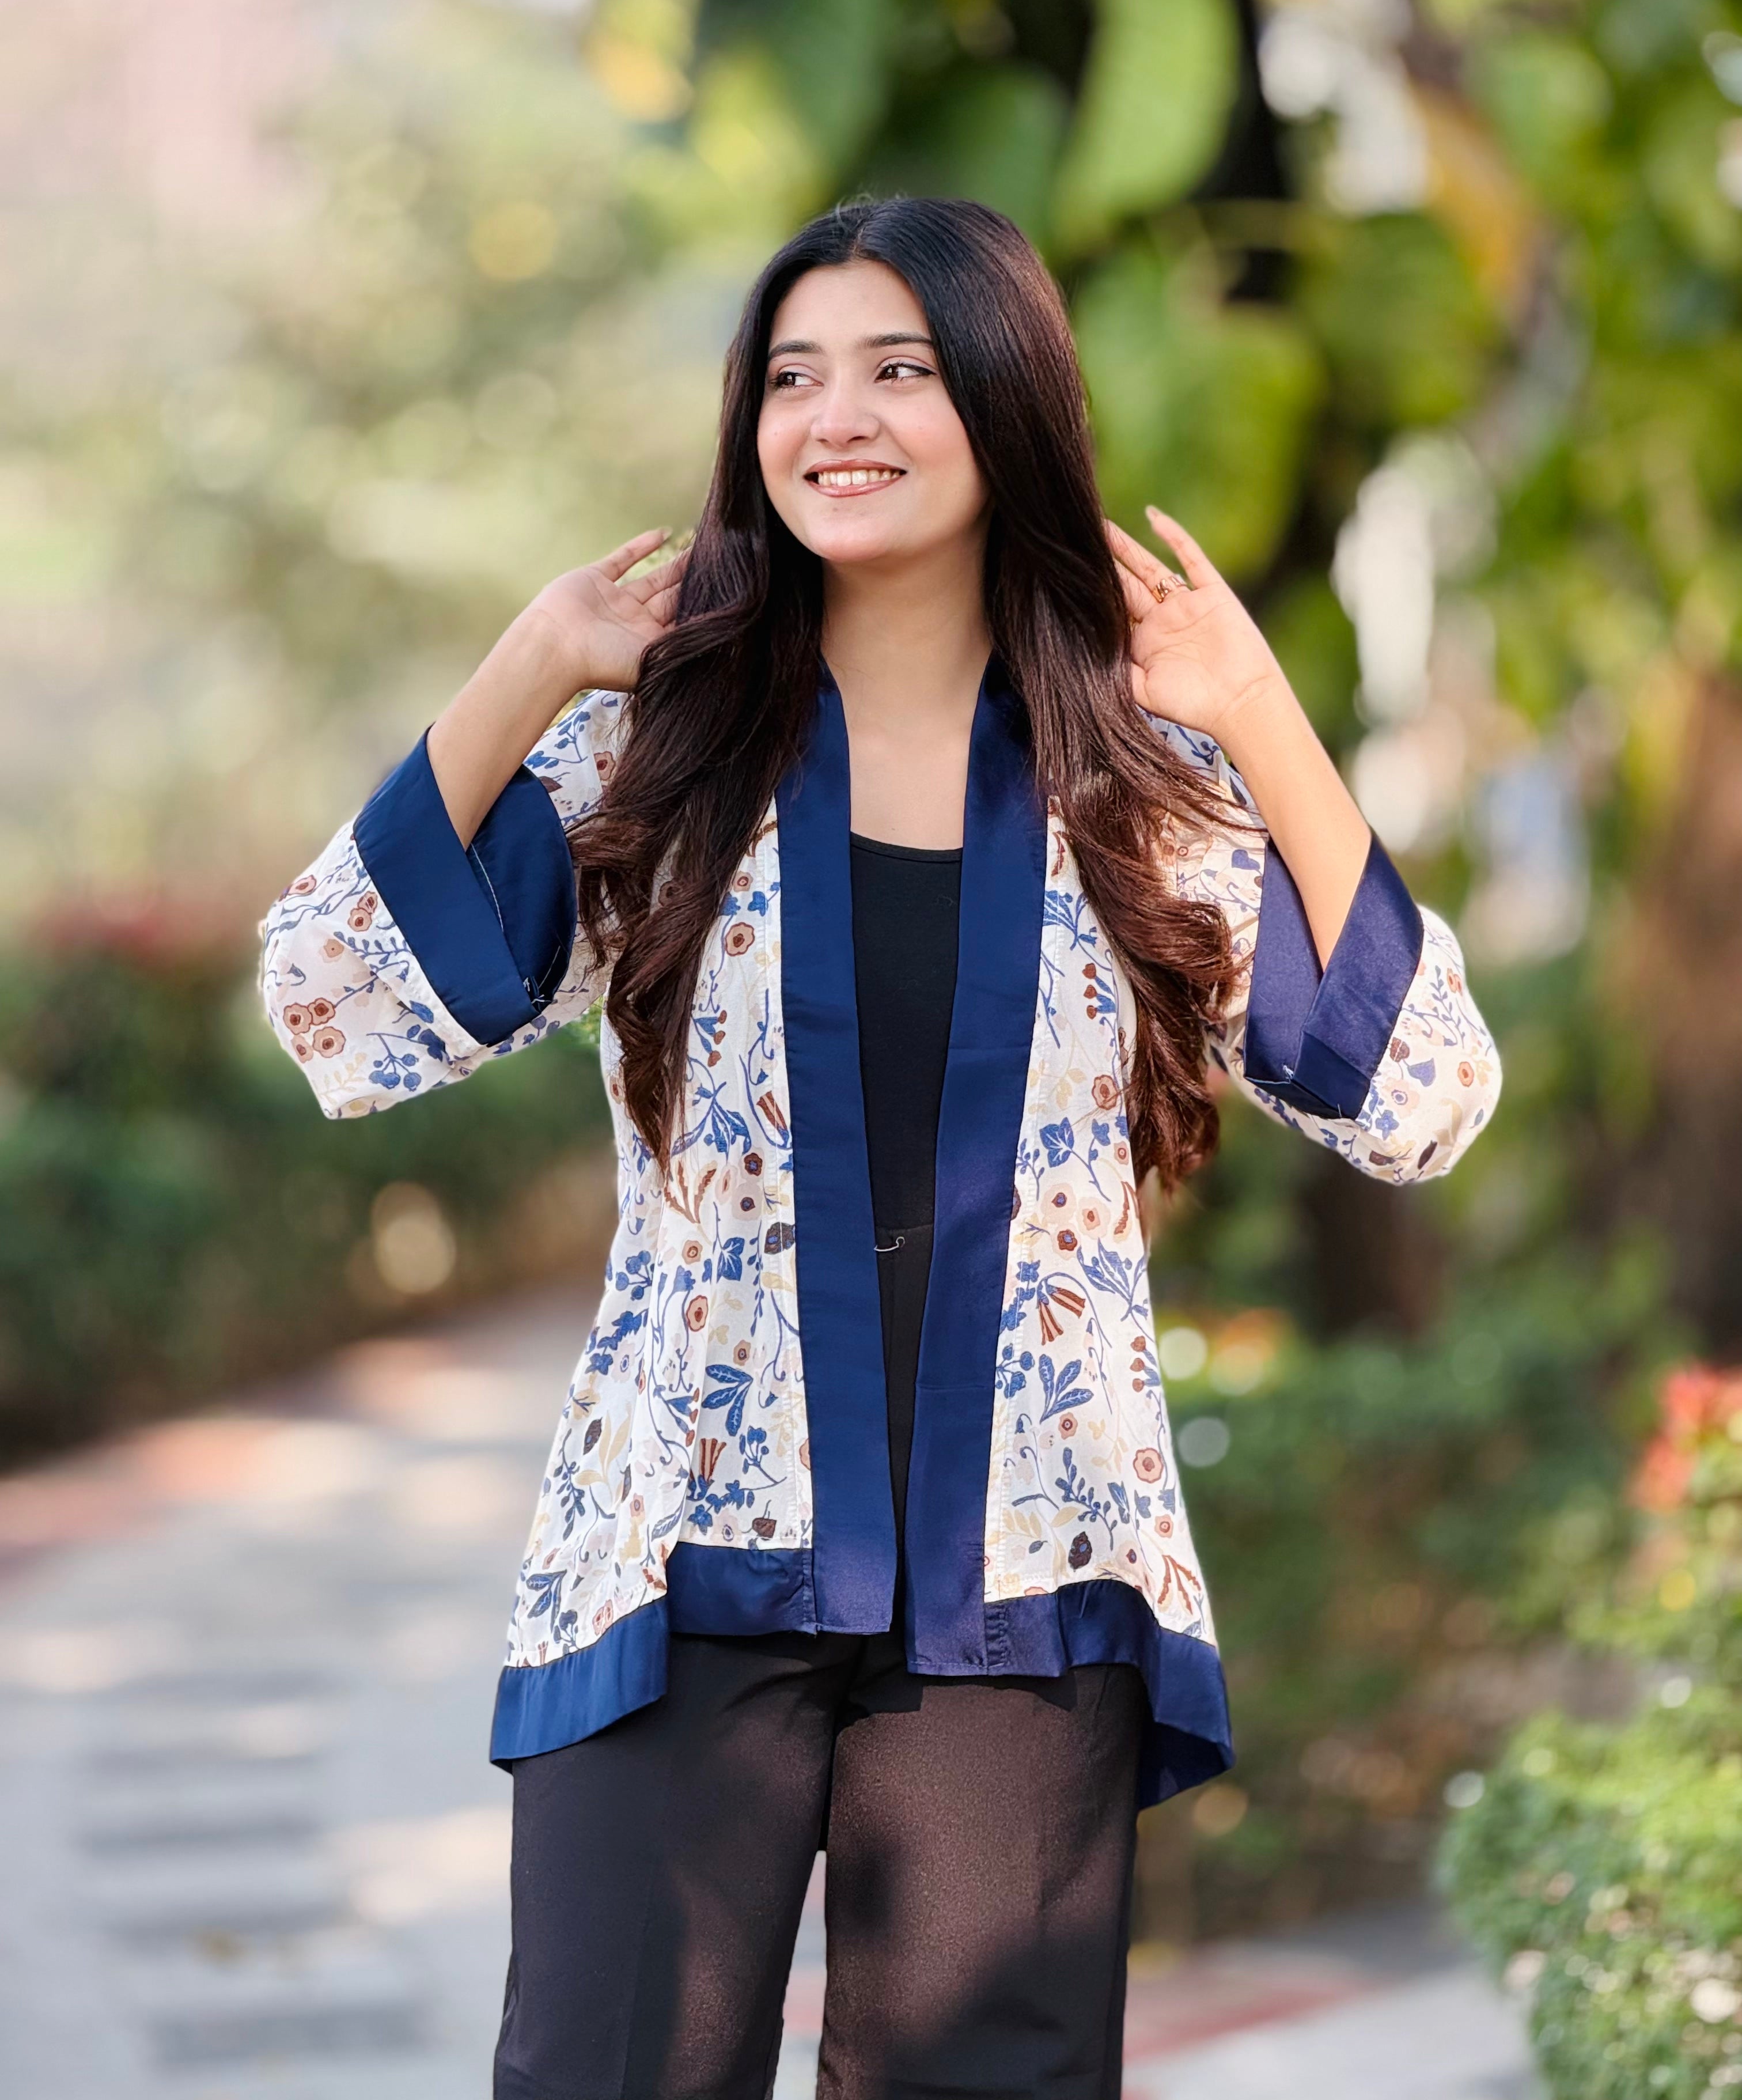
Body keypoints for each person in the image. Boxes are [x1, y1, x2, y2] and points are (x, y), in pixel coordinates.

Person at [260, 197, 1499, 2100]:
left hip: (1027, 1586)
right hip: (678, 1561)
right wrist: (529, 665)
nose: (836, 416)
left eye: (899, 369)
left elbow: (1421, 1097)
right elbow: (333, 1005)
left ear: (1005, 403)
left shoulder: (1144, 801)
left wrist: (1257, 712)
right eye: (792, 376)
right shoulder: (655, 764)